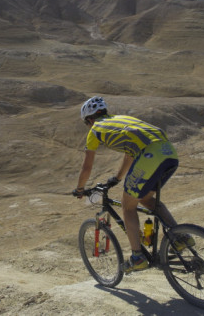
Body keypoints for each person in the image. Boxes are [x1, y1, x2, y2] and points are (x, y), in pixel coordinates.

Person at [73, 96, 185, 273]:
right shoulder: (122, 120)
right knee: (147, 199)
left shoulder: (95, 130)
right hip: (169, 153)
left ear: (90, 119)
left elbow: (86, 167)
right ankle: (180, 237)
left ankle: (137, 257)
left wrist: (80, 189)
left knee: (127, 206)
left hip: (150, 156)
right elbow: (130, 155)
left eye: (87, 124)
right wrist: (117, 178)